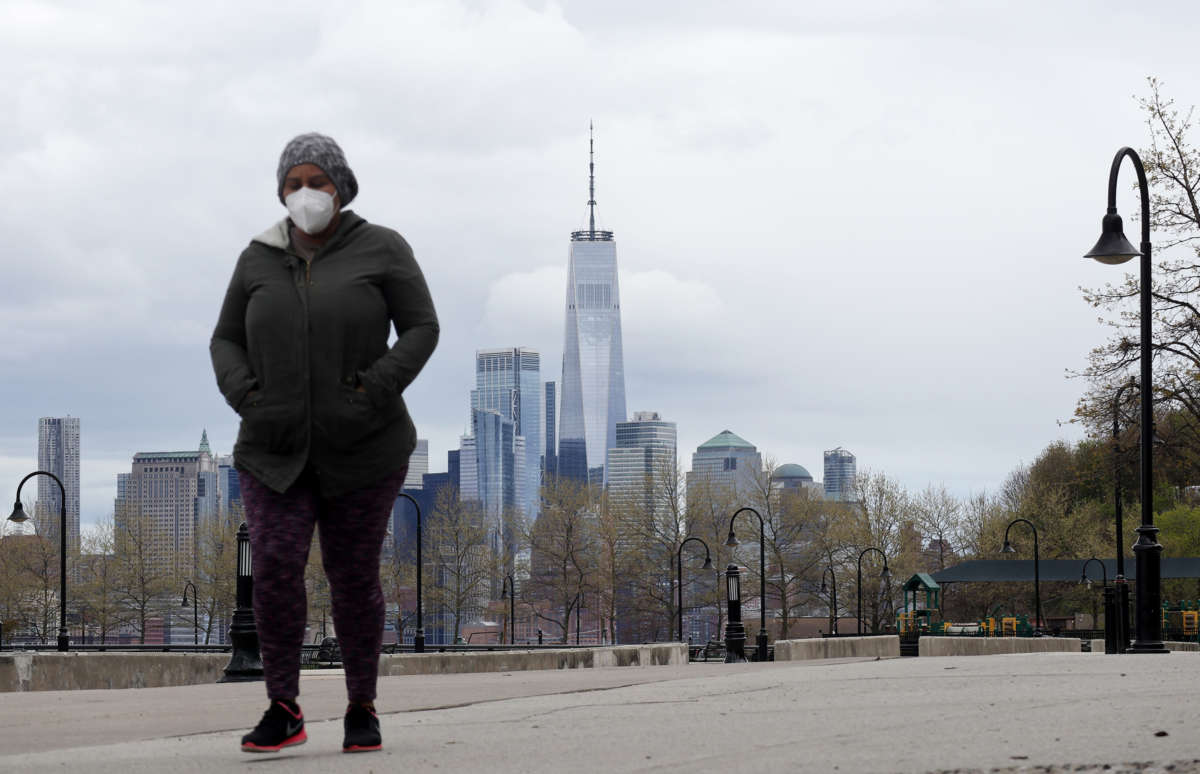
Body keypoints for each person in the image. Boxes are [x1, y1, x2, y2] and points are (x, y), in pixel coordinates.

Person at [210, 132, 438, 754]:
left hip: (364, 447)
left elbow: (422, 326)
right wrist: (247, 398)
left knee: (353, 574)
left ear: (341, 187)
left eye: (318, 182)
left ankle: (362, 705)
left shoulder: (382, 248)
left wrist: (374, 390)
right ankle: (283, 706)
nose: (305, 194)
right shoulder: (257, 257)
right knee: (277, 571)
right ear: (281, 192)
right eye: (293, 184)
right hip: (272, 449)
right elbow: (224, 339)